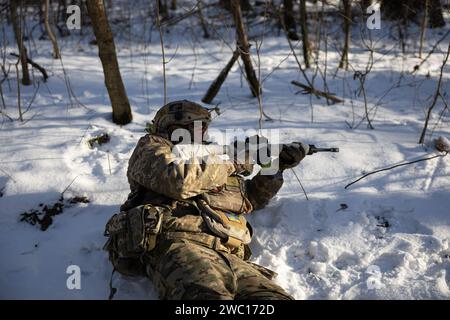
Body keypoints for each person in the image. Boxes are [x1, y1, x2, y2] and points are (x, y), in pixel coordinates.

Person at [104, 100, 310, 300]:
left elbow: (252, 198)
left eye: (205, 127)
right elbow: (180, 181)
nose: (204, 133)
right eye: (198, 126)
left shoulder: (213, 162)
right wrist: (233, 162)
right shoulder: (153, 147)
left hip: (229, 254)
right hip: (180, 244)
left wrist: (276, 166)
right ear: (174, 126)